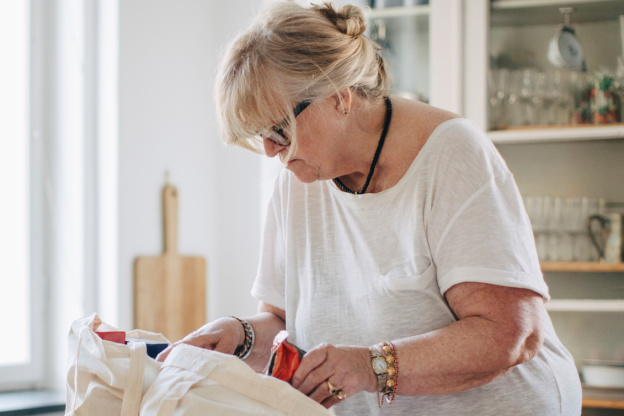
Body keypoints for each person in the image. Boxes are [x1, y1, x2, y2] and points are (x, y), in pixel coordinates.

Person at [157, 2, 582, 414]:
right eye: (260, 135)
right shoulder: (297, 178)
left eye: (279, 128)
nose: (270, 151)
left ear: (339, 98)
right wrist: (242, 334)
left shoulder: (452, 155)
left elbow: (511, 335)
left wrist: (371, 366)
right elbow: (288, 321)